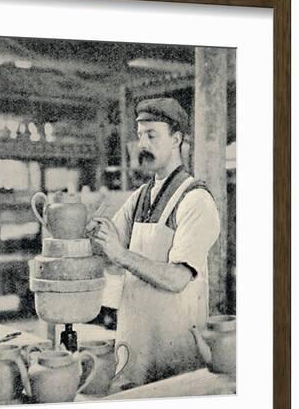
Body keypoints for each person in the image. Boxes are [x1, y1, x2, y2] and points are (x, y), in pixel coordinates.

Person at [91, 97, 221, 389]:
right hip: (135, 342)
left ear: (176, 139)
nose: (143, 145)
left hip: (175, 349)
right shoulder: (140, 196)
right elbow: (107, 244)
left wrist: (121, 254)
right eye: (139, 136)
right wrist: (83, 228)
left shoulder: (195, 200)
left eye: (152, 135)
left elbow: (177, 278)